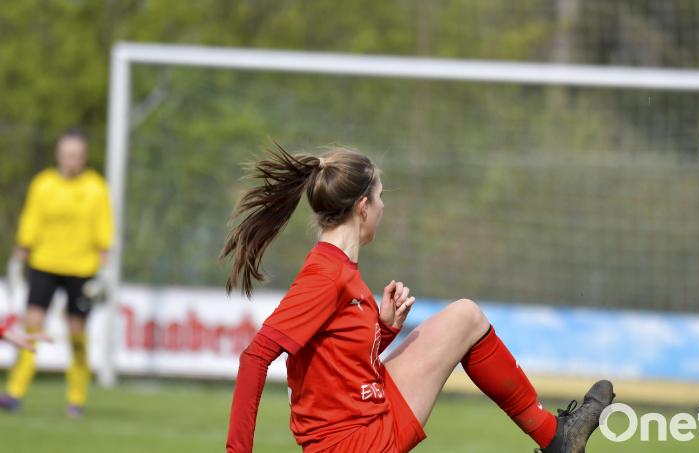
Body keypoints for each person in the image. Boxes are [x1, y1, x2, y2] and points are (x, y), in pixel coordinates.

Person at [223, 145, 614, 453]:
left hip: (363, 421)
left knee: (465, 316)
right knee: (465, 317)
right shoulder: (326, 275)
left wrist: (385, 328)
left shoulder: (341, 270)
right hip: (357, 442)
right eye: (379, 198)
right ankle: (556, 438)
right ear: (362, 207)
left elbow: (340, 367)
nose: (383, 207)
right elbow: (255, 357)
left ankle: (557, 438)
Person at [0, 129, 113, 417]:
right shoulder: (43, 184)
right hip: (44, 265)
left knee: (77, 334)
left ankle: (76, 397)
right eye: (66, 154)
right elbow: (31, 223)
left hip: (81, 268)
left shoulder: (96, 187)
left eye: (76, 155)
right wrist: (18, 257)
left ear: (84, 157)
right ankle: (15, 391)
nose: (71, 160)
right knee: (31, 328)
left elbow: (104, 235)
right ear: (58, 155)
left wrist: (103, 273)